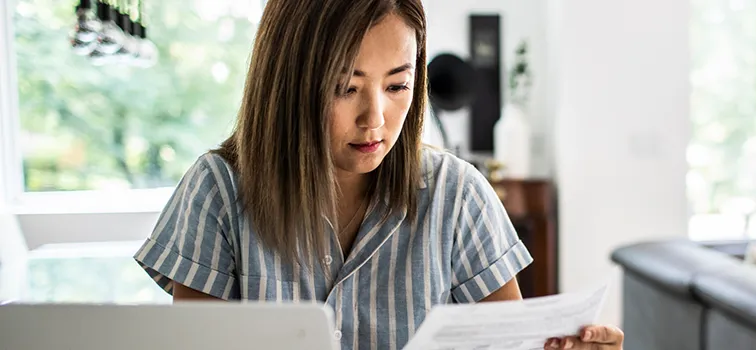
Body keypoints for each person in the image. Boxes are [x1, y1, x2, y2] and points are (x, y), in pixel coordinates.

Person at [132, 0, 624, 349]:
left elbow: (515, 343)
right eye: (346, 88)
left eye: (398, 85)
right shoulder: (218, 192)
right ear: (287, 85)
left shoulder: (457, 195)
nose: (376, 118)